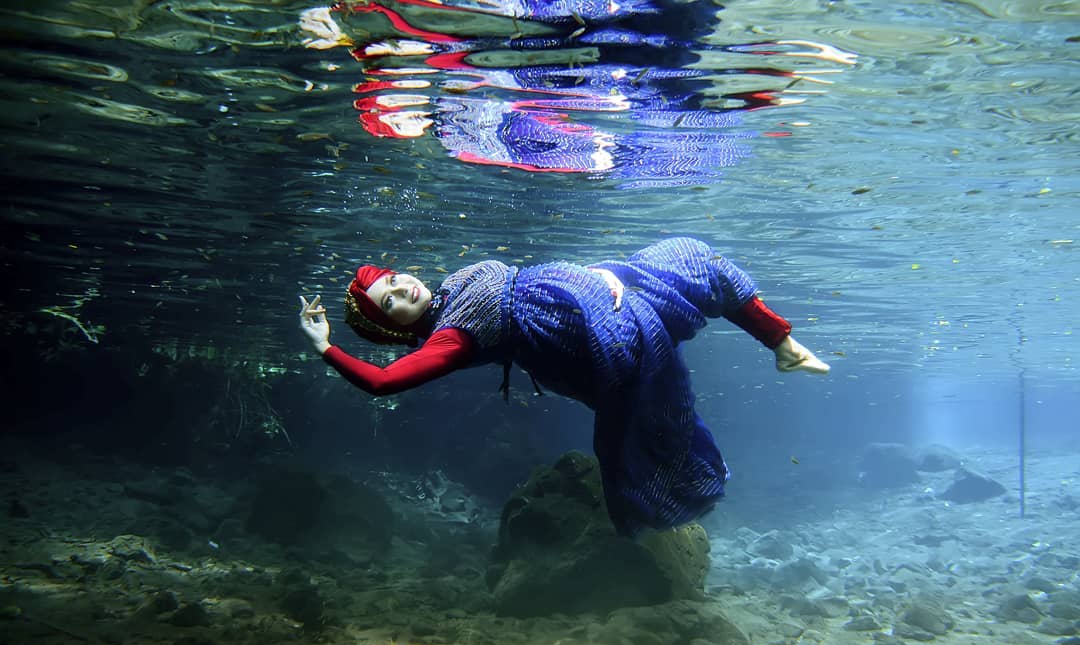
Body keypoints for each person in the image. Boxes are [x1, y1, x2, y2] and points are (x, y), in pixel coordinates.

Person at [299, 237, 829, 538]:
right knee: (657, 409)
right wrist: (325, 347)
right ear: (393, 326)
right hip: (592, 334)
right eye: (391, 302)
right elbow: (383, 381)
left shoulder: (448, 292)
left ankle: (783, 344)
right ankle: (687, 483)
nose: (402, 289)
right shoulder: (448, 337)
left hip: (595, 285)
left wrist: (594, 277)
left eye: (393, 280)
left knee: (693, 259)